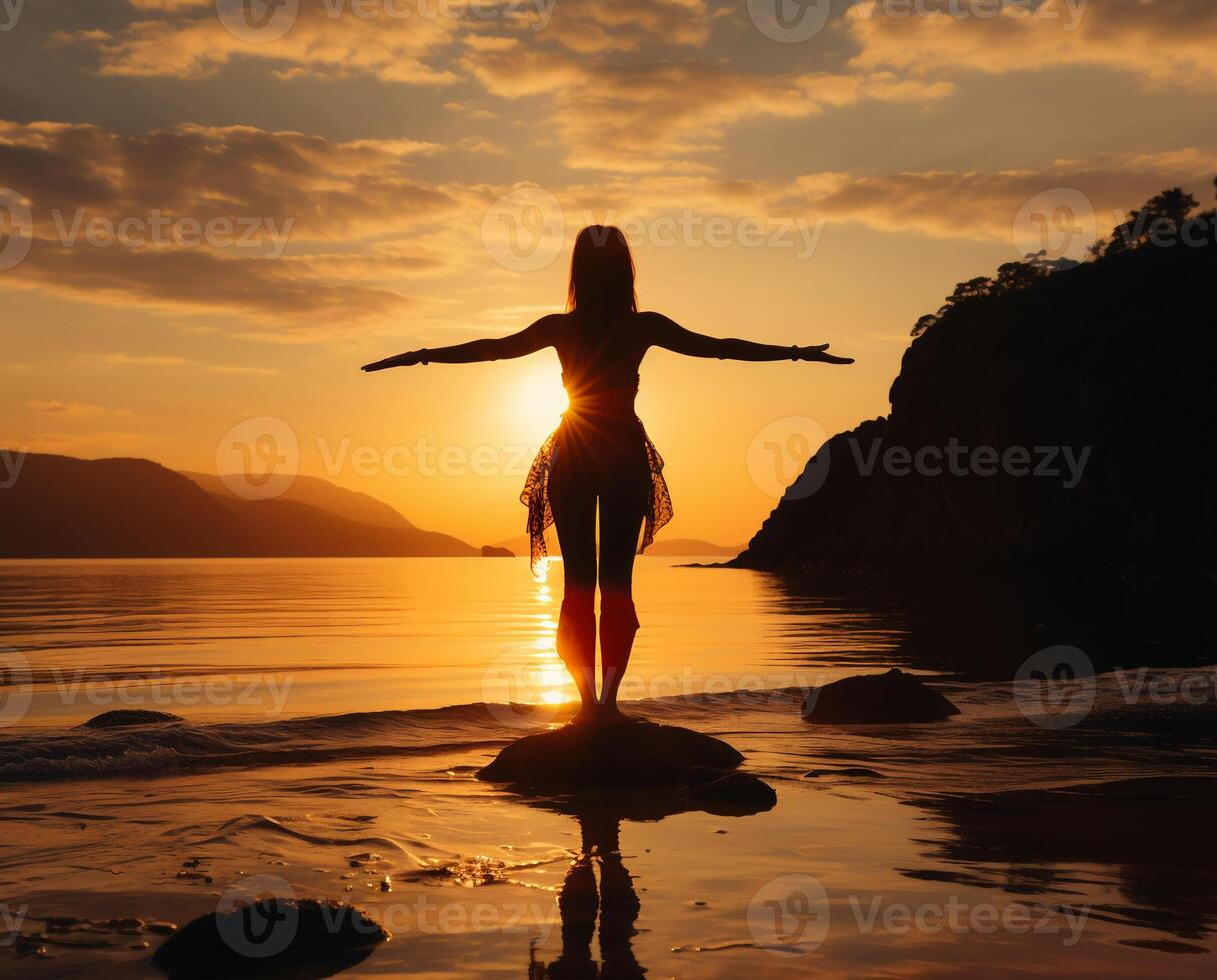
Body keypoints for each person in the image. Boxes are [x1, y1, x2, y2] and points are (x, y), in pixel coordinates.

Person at [363, 225, 852, 725]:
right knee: (614, 586)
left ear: (578, 270)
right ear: (625, 270)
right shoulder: (639, 327)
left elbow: (491, 348)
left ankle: (587, 707)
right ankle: (607, 705)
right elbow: (719, 347)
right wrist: (794, 352)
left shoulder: (564, 327)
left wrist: (420, 355)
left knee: (579, 587)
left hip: (576, 455)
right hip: (618, 454)